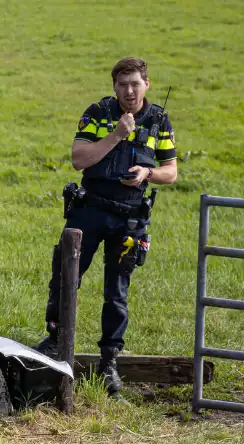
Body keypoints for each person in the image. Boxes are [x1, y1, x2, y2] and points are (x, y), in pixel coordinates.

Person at [35, 57, 179, 395]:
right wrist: (116, 135)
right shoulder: (98, 113)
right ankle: (55, 341)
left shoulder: (159, 119)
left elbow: (171, 172)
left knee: (117, 292)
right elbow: (78, 159)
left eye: (135, 83)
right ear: (114, 87)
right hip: (91, 209)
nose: (129, 90)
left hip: (130, 216)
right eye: (122, 84)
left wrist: (148, 173)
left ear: (147, 84)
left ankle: (109, 362)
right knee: (65, 278)